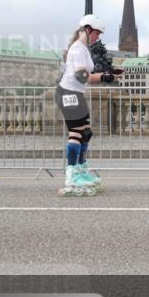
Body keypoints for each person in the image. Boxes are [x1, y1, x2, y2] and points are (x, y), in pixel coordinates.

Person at [55, 14, 118, 195]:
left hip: (76, 93)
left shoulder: (83, 48)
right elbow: (81, 76)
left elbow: (88, 71)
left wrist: (110, 72)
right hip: (68, 93)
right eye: (97, 33)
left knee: (86, 133)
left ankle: (81, 169)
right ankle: (72, 175)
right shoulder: (78, 49)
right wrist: (105, 78)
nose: (98, 37)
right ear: (88, 29)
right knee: (76, 133)